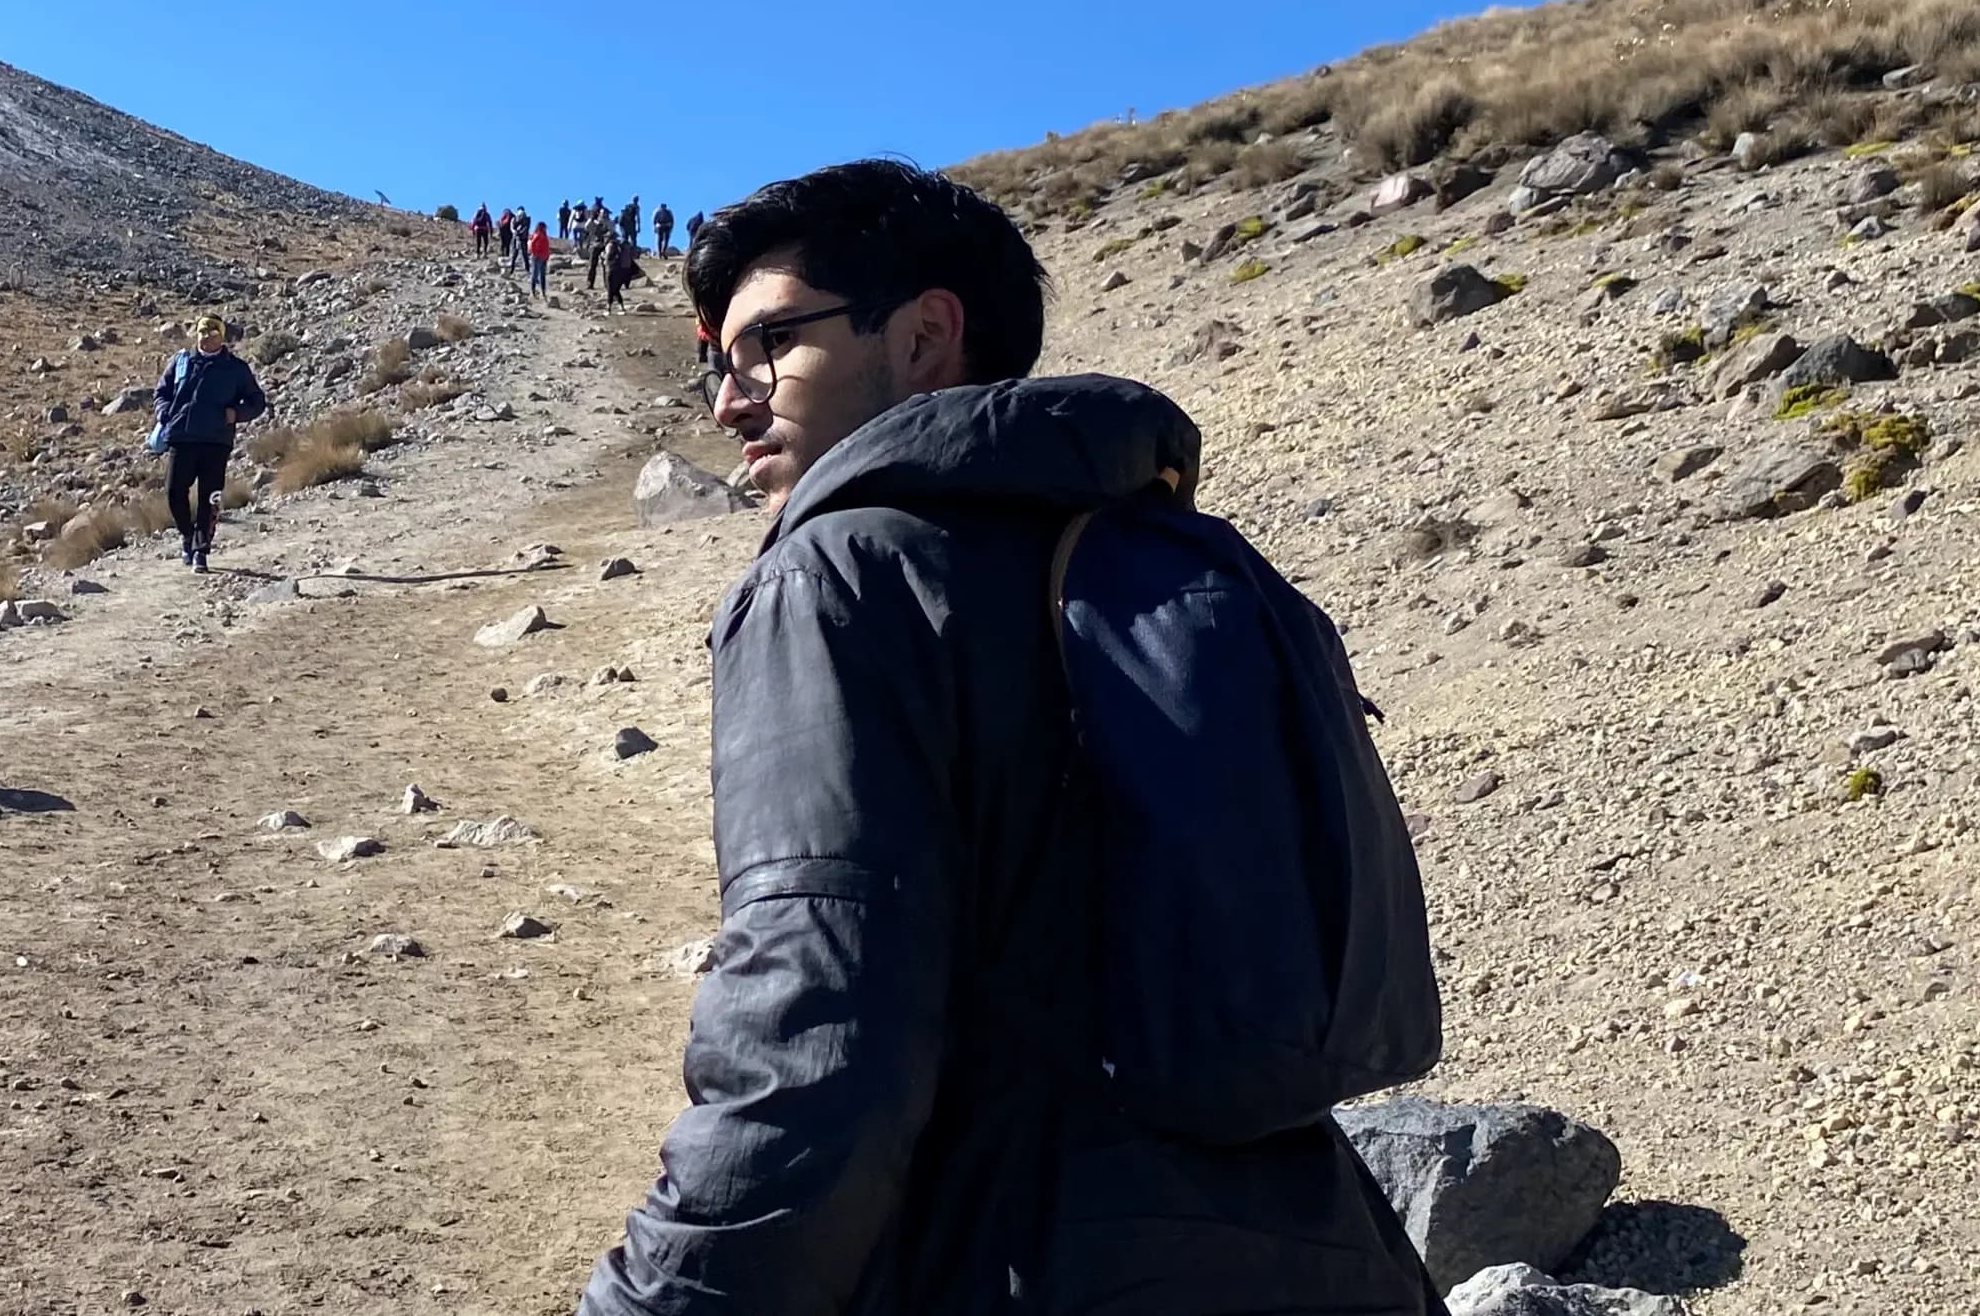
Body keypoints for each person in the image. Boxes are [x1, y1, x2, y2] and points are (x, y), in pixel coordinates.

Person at [577, 159, 1441, 1316]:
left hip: (1018, 1259)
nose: (730, 402)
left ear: (925, 335)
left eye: (771, 344)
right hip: (1320, 1241)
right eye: (720, 365)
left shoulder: (840, 573)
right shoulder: (1166, 559)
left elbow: (813, 1040)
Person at [148, 315, 267, 572]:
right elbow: (161, 392)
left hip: (216, 441)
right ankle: (187, 535)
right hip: (182, 437)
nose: (206, 337)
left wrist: (236, 414)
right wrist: (164, 411)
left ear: (222, 337)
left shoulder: (235, 368)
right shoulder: (182, 361)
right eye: (202, 332)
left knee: (209, 498)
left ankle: (201, 551)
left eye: (212, 333)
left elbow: (257, 401)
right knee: (174, 492)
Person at [605, 234, 643, 312]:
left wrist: (604, 259)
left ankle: (609, 307)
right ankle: (621, 307)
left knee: (610, 289)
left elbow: (608, 258)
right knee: (616, 290)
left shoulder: (610, 246)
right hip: (623, 271)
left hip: (612, 270)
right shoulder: (622, 247)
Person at [527, 220, 551, 296]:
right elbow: (532, 244)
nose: (545, 229)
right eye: (544, 227)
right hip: (538, 257)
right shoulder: (538, 234)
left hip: (544, 257)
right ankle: (533, 291)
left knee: (542, 275)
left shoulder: (543, 235)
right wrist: (535, 253)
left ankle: (543, 292)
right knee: (535, 274)